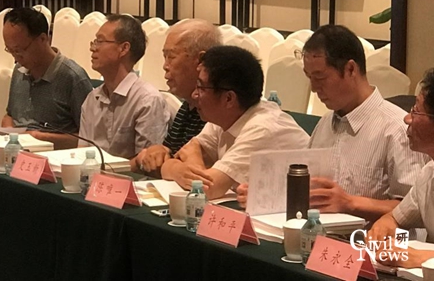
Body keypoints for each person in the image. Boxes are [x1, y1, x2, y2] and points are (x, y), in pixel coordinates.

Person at [237, 25, 426, 222]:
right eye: (309, 77)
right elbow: (311, 191)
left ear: (350, 69)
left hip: (369, 239)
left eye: (320, 77)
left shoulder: (397, 129)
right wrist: (264, 194)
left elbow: (416, 209)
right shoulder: (325, 123)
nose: (313, 88)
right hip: (317, 233)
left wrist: (350, 203)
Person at [161, 45, 309, 200]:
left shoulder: (263, 128)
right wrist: (179, 169)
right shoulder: (223, 117)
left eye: (201, 87)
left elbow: (206, 189)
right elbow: (186, 152)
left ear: (229, 98)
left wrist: (181, 168)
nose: (194, 94)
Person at [135, 19, 222, 174]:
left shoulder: (217, 113)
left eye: (171, 56)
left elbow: (194, 173)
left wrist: (167, 164)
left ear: (200, 61)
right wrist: (157, 151)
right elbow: (169, 154)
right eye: (165, 57)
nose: (165, 66)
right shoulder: (188, 106)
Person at [79, 14, 171, 160]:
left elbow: (148, 163)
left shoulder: (147, 100)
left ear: (123, 48)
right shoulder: (92, 99)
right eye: (95, 41)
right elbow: (82, 155)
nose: (93, 48)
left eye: (100, 41)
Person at [368, 68, 434, 267]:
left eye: (416, 111)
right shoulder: (429, 173)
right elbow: (395, 218)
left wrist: (424, 257)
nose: (407, 118)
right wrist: (384, 228)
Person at [1, 7, 92, 149]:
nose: (16, 57)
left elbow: (90, 139)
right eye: (10, 50)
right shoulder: (19, 70)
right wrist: (10, 131)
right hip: (17, 151)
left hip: (55, 156)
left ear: (43, 39)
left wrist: (41, 138)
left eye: (19, 50)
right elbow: (10, 115)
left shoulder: (73, 77)